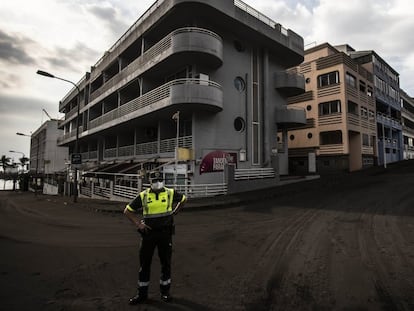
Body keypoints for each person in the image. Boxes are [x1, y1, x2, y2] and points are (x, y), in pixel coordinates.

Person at [124, 171, 186, 304]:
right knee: (145, 264)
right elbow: (127, 211)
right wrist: (138, 224)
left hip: (165, 234)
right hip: (148, 234)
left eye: (159, 179)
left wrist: (176, 211)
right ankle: (142, 294)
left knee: (166, 263)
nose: (157, 182)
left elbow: (183, 199)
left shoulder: (170, 192)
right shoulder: (144, 195)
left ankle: (165, 292)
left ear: (163, 180)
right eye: (155, 180)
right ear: (150, 182)